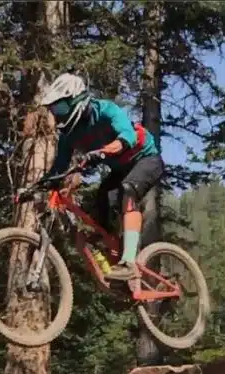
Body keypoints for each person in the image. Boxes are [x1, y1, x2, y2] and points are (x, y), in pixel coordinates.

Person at [39, 73, 164, 282]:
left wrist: (102, 151)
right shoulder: (69, 135)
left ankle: (129, 262)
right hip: (120, 170)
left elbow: (128, 136)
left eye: (59, 108)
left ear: (75, 98)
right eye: (53, 110)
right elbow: (58, 168)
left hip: (146, 159)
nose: (57, 114)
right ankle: (113, 254)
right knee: (100, 207)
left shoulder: (106, 110)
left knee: (128, 190)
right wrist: (38, 186)